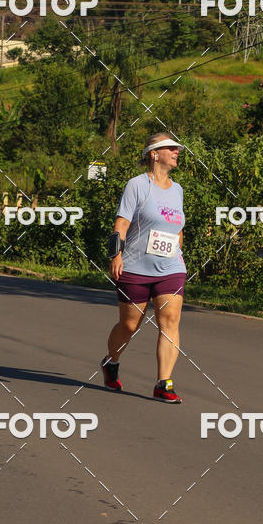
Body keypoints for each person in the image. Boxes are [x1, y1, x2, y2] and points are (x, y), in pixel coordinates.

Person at [101, 132, 186, 403]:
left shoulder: (178, 190)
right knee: (129, 325)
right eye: (170, 148)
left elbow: (178, 228)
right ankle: (111, 361)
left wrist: (178, 253)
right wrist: (116, 256)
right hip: (136, 267)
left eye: (177, 149)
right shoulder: (136, 185)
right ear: (153, 153)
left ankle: (164, 383)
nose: (176, 152)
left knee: (170, 322)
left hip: (171, 267)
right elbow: (121, 225)